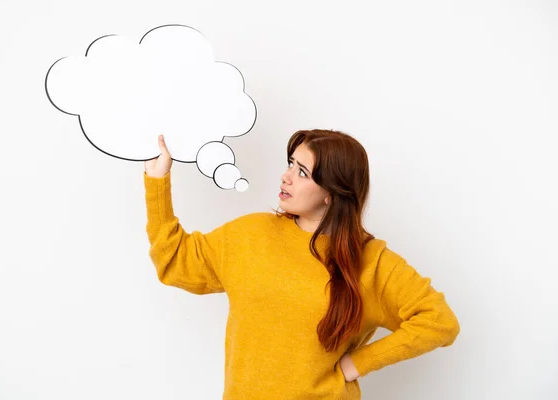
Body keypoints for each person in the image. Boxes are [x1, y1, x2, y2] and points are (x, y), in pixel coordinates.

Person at [143, 129, 460, 400]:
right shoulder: (251, 234)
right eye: (290, 164)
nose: (286, 176)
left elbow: (439, 322)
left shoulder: (371, 261)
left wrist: (357, 363)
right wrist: (157, 182)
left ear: (331, 194)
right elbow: (175, 262)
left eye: (303, 172)